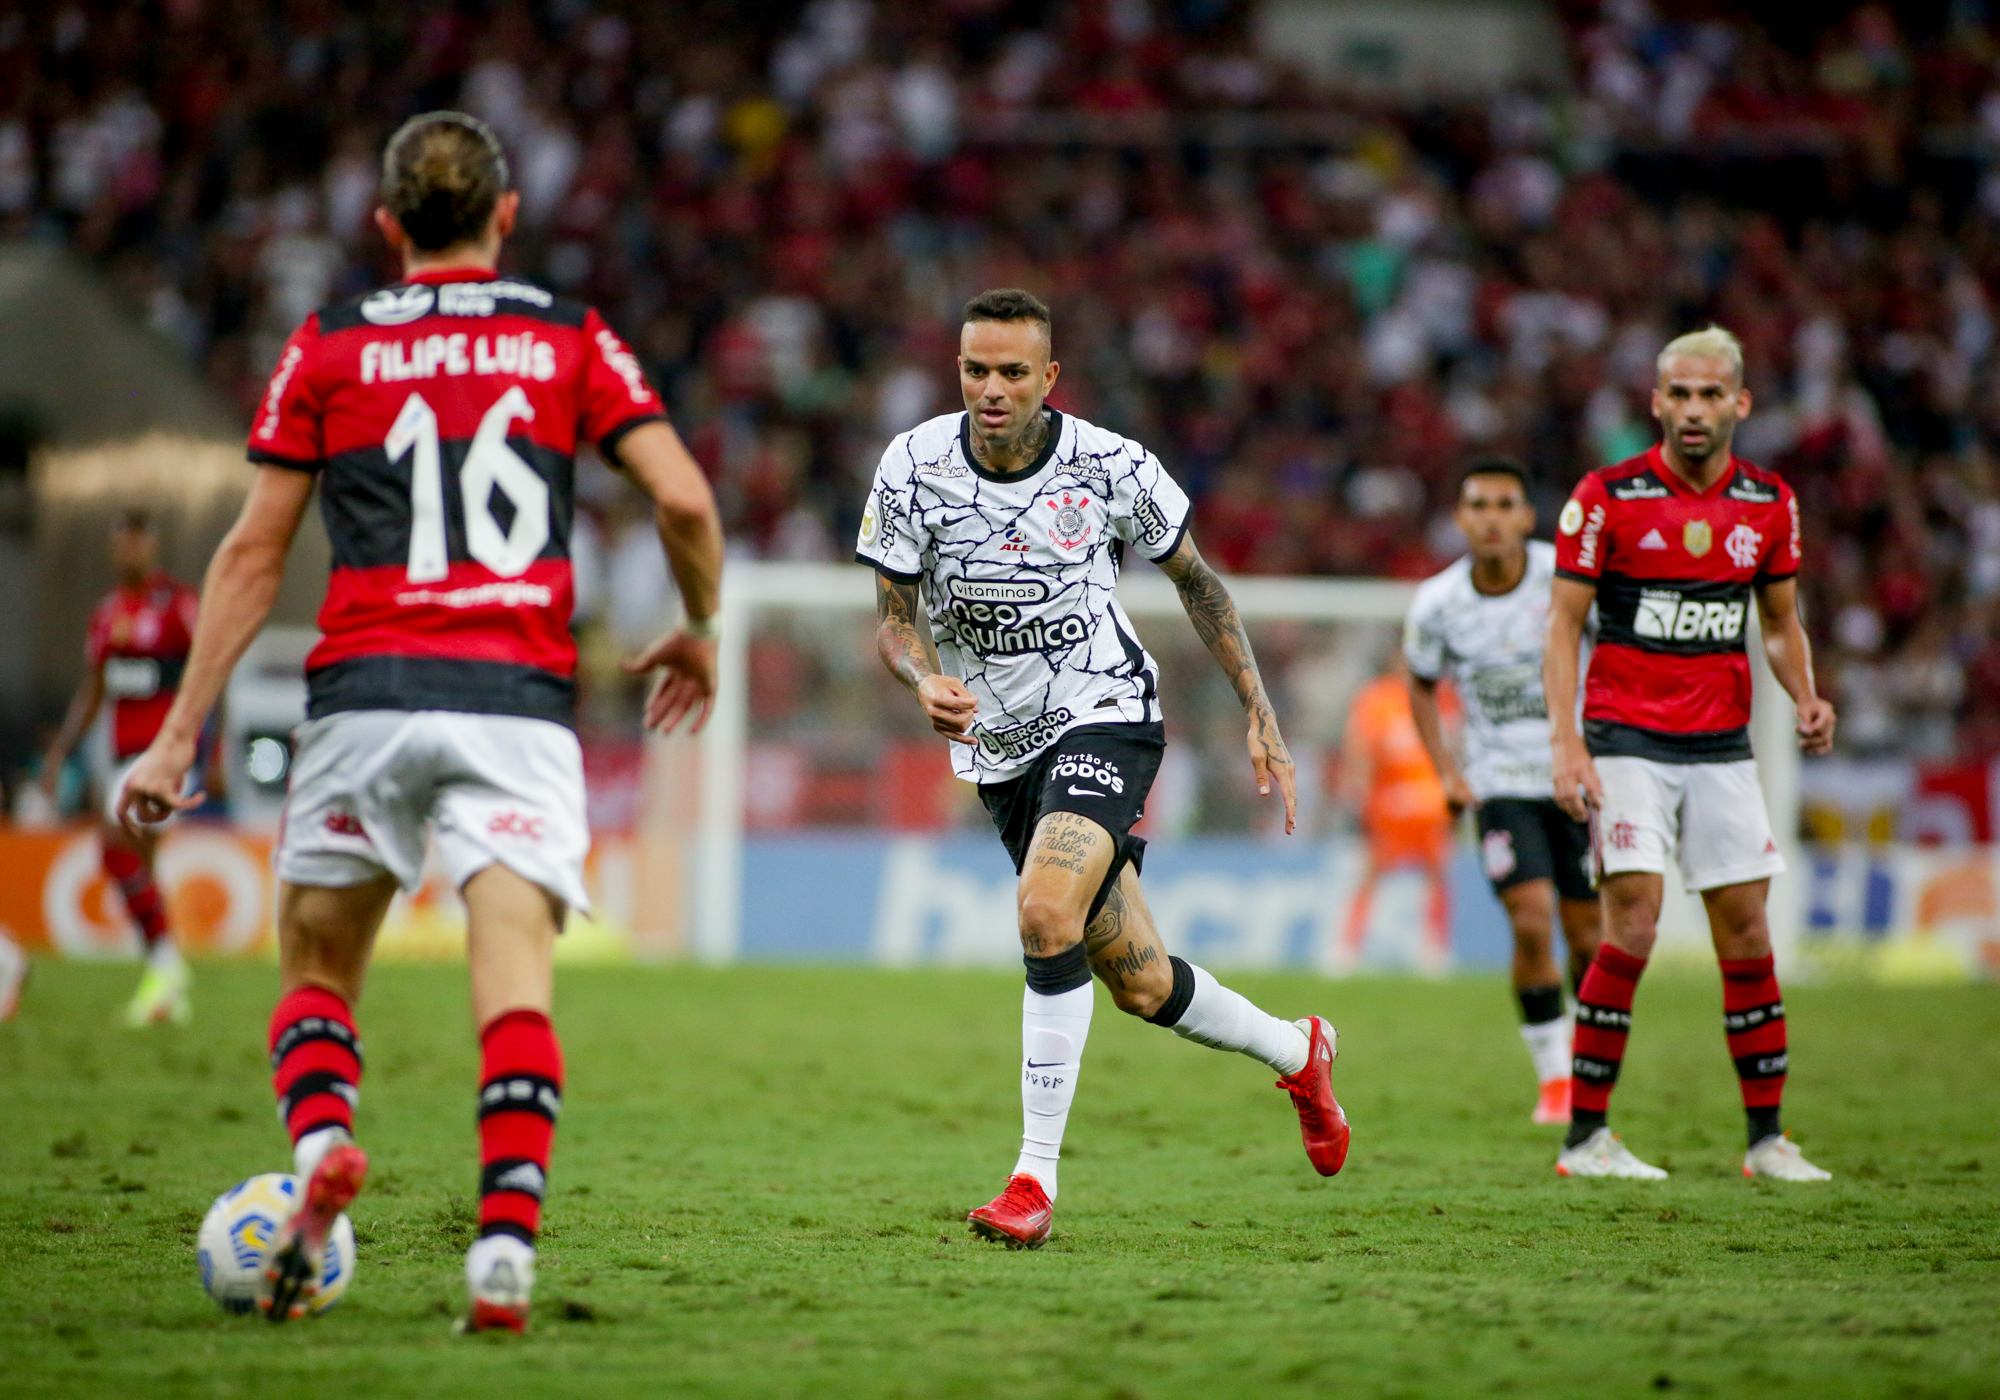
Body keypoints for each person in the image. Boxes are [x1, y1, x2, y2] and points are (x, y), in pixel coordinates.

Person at [117, 112, 724, 1329]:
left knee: (316, 973)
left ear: (387, 225)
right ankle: (501, 1251)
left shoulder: (329, 344)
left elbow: (251, 551)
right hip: (513, 700)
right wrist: (697, 625)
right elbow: (684, 499)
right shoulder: (567, 336)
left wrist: (180, 727)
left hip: (364, 694)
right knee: (513, 994)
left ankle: (328, 1141)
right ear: (506, 213)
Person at [860, 288, 1347, 1249]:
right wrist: (922, 677)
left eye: (1011, 372)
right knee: (1141, 982)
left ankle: (1031, 1183)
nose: (990, 390)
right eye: (973, 370)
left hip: (1106, 713)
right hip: (996, 746)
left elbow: (1199, 586)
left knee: (1045, 911)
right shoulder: (911, 467)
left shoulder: (1112, 466)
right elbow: (891, 621)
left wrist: (1260, 711)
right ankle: (1301, 1052)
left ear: (1050, 377)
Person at [1545, 326, 1836, 1182]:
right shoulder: (1608, 497)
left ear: (1741, 402)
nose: (1695, 410)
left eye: (1712, 395)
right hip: (1625, 739)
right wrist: (1567, 744)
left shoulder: (1769, 503)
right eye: (1680, 394)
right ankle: (1585, 1139)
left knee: (1746, 931)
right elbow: (1563, 624)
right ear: (1656, 402)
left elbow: (1778, 625)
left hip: (1721, 747)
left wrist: (1806, 693)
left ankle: (1766, 1141)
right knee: (1633, 917)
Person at [1405, 459, 1602, 1125]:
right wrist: (1447, 770)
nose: (1491, 517)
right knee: (1530, 917)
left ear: (1526, 516)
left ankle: (1589, 1063)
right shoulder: (1437, 602)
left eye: (1504, 505)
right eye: (1478, 505)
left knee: (1589, 937)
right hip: (1498, 786)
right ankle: (1555, 1081)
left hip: (1573, 777)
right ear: (1461, 518)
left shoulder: (1565, 580)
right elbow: (1421, 683)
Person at [40, 511, 218, 1026]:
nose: (129, 551)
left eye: (138, 540)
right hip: (120, 756)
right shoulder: (107, 614)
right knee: (137, 860)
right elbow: (93, 690)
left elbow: (210, 670)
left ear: (152, 545)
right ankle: (167, 979)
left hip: (165, 757)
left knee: (114, 845)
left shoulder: (178, 605)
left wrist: (216, 748)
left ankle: (165, 966)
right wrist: (60, 753)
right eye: (122, 541)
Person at [1337, 650, 1455, 975]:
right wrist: (1356, 786)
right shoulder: (1378, 698)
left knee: (1437, 872)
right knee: (1371, 872)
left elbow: (1455, 741)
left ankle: (1435, 948)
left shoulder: (1440, 695)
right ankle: (1349, 946)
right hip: (1388, 802)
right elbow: (1359, 745)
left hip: (1431, 802)